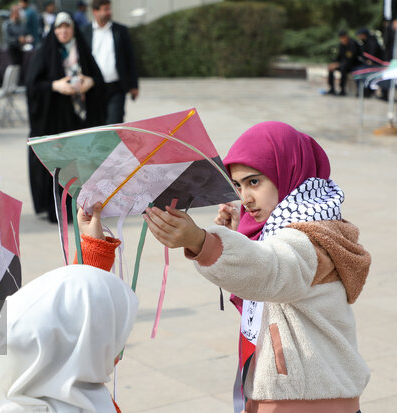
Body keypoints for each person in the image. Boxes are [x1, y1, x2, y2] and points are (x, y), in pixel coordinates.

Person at [144, 121, 370, 413]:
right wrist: (241, 235)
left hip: (305, 402)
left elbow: (271, 269)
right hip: (301, 395)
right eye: (237, 185)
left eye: (254, 182)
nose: (245, 198)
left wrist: (202, 242)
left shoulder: (311, 240)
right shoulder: (304, 223)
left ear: (289, 170)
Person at [0, 203, 135, 413]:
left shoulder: (4, 403)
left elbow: (72, 312)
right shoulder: (92, 405)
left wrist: (93, 251)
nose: (118, 350)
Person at [26, 11, 106, 223]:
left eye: (67, 27)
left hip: (80, 119)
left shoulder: (82, 51)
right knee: (59, 165)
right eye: (58, 27)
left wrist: (90, 82)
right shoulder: (45, 52)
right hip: (55, 120)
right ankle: (58, 208)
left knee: (82, 161)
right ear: (53, 31)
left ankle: (84, 207)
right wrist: (55, 86)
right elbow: (33, 86)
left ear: (73, 28)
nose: (63, 31)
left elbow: (98, 79)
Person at [82, 0, 139, 123]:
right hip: (93, 89)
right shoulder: (84, 32)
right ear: (95, 12)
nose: (110, 12)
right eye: (105, 9)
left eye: (109, 9)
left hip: (116, 87)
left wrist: (134, 85)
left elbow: (130, 58)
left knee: (114, 123)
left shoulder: (120, 31)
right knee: (96, 124)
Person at [326, 30, 361, 96]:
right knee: (331, 68)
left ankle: (342, 89)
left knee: (343, 68)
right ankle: (332, 89)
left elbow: (350, 58)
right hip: (343, 63)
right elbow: (339, 56)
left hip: (352, 64)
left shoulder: (352, 44)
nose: (342, 40)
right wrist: (334, 63)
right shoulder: (342, 44)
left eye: (343, 38)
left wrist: (338, 64)